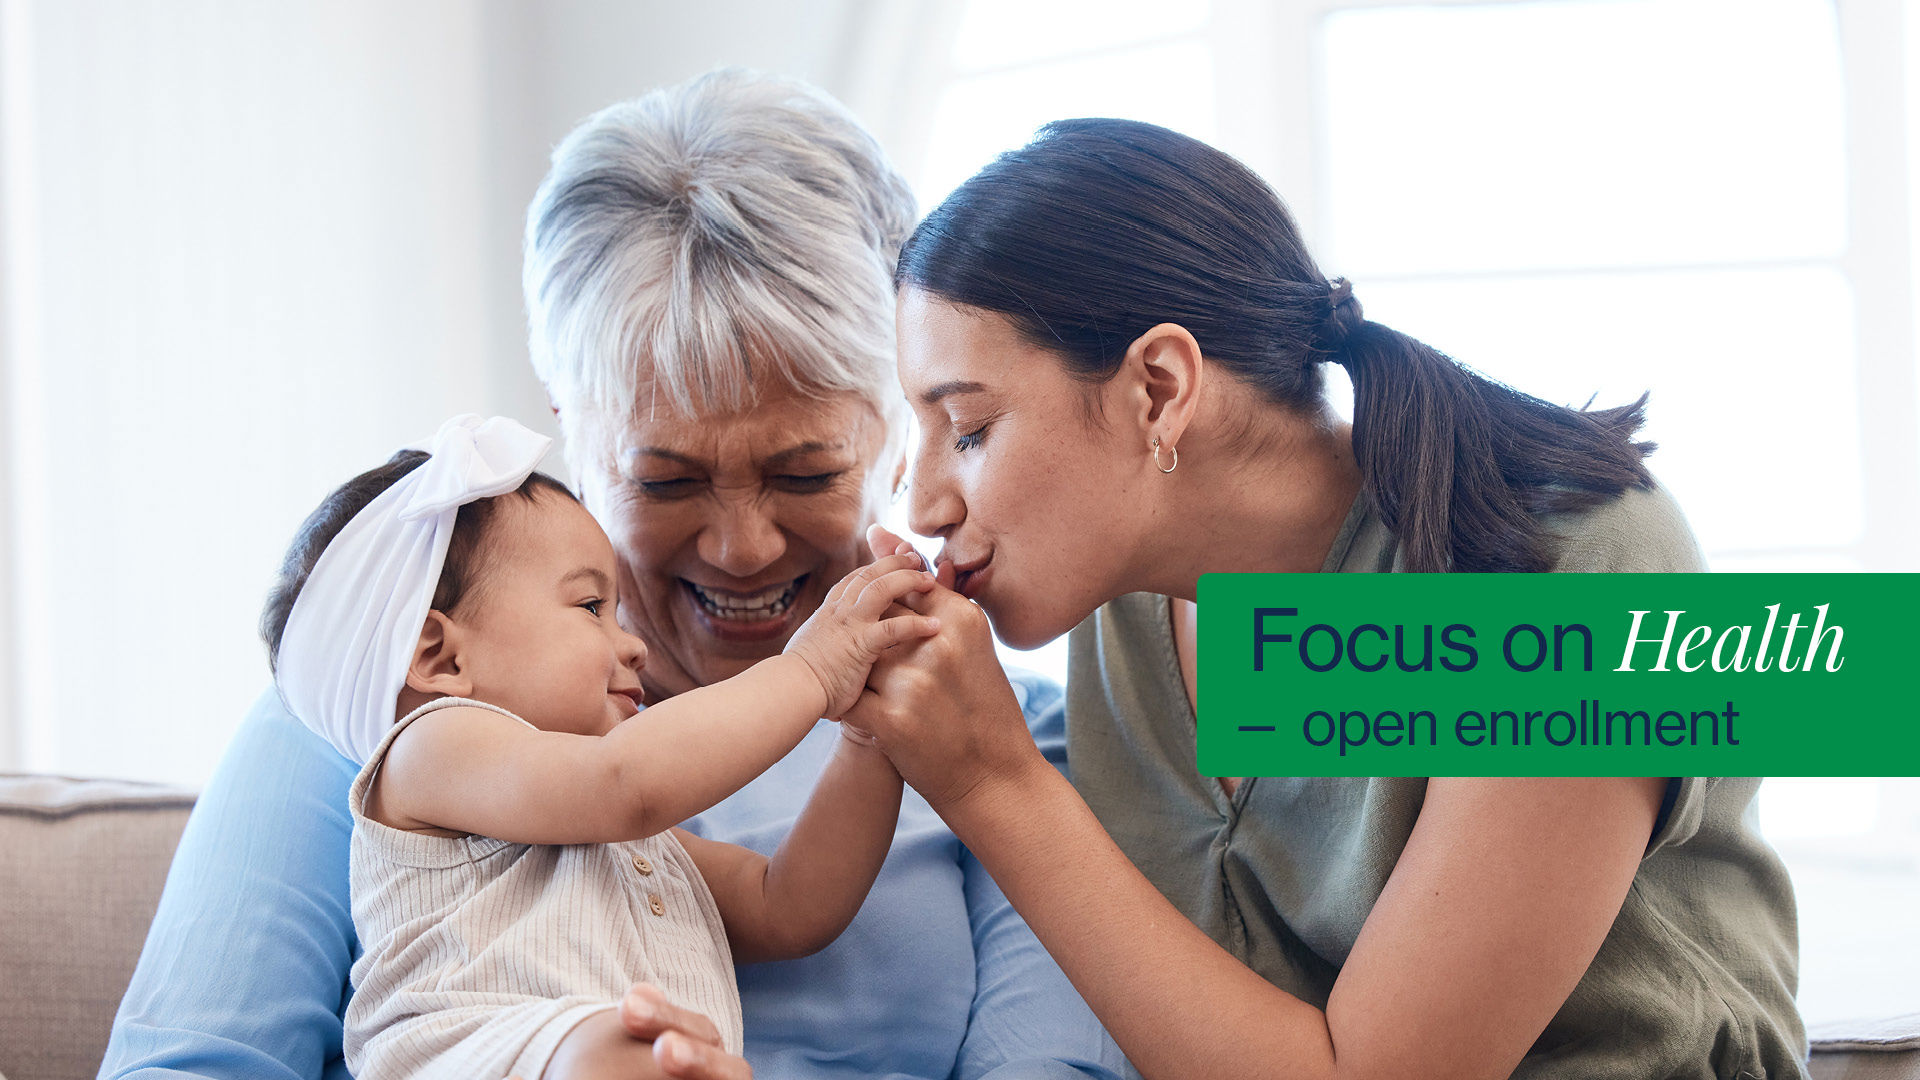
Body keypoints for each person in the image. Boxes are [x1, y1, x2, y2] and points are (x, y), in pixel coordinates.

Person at [100, 73, 1131, 1080]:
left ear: (901, 426)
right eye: (666, 477)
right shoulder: (368, 702)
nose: (742, 547)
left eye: (804, 470)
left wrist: (871, 730)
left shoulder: (1008, 738)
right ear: (573, 430)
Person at [847, 118, 1806, 1080]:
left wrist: (992, 783)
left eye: (967, 429)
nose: (922, 502)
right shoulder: (1121, 607)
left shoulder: (1577, 572)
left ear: (1159, 389)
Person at [263, 414, 938, 1079]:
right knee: (612, 1052)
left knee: (644, 1053)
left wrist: (869, 737)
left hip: (636, 1056)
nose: (633, 644)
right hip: (477, 1051)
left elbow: (787, 907)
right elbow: (627, 784)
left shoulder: (629, 841)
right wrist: (814, 671)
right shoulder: (428, 750)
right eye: (591, 607)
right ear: (440, 658)